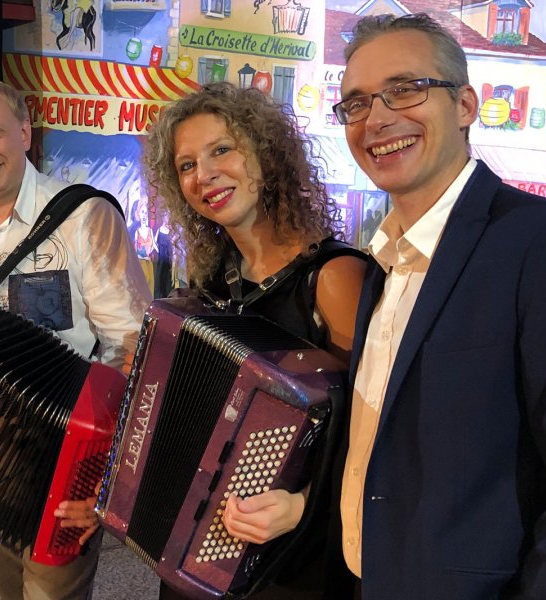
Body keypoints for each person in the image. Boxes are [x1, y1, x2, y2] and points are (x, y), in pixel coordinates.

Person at [334, 13, 546, 599]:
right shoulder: (382, 260)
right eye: (355, 104)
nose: (377, 118)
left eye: (405, 88)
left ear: (465, 106)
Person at [0, 76, 151, 600]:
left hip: (65, 451)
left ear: (25, 131)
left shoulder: (84, 216)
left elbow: (131, 348)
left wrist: (107, 468)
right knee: (1, 592)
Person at [144, 82, 365, 599]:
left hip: (292, 561)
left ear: (265, 154)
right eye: (186, 165)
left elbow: (375, 436)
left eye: (222, 149)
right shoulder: (210, 284)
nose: (205, 175)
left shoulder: (334, 277)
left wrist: (303, 504)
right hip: (198, 550)